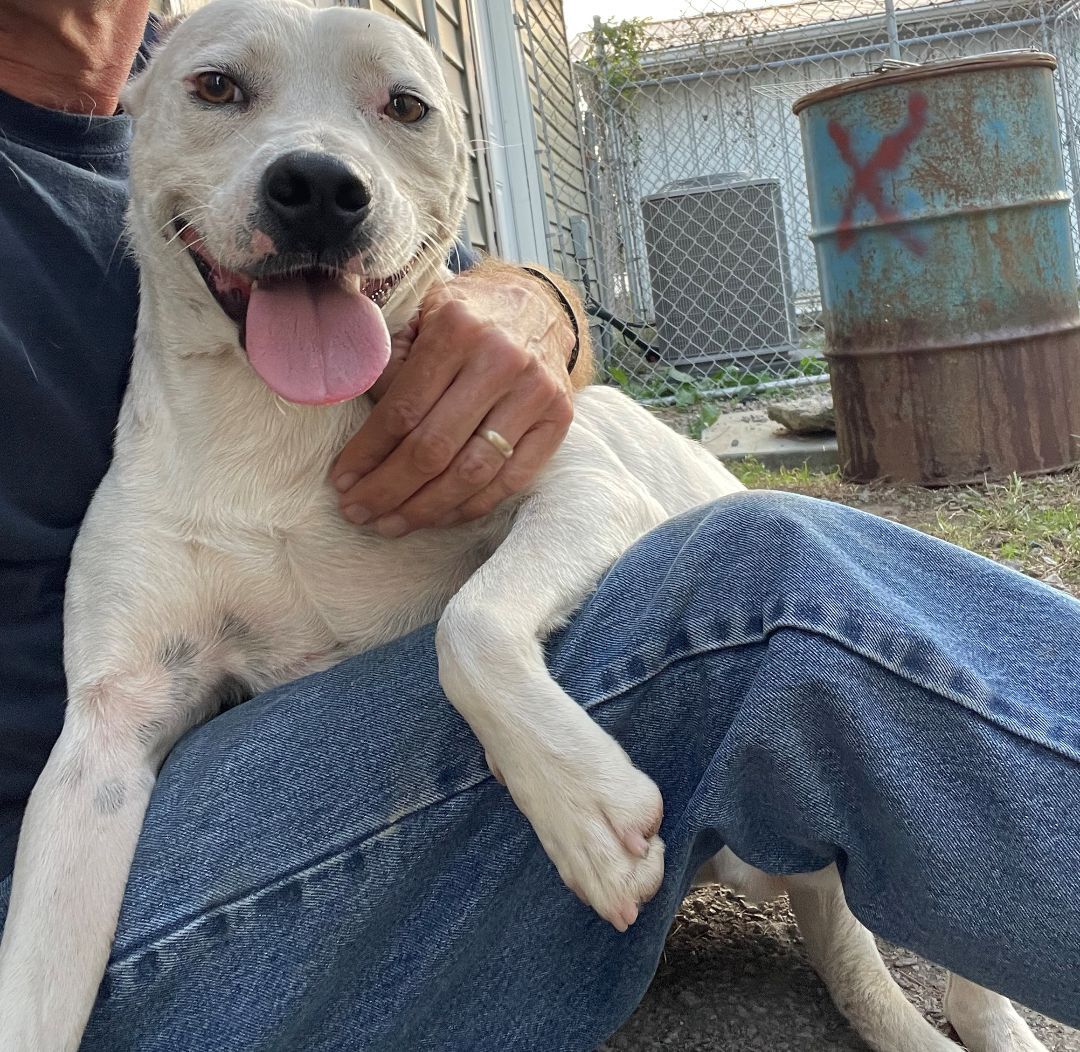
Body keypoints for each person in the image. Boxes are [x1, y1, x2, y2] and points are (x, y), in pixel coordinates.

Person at [0, 2, 1076, 1050]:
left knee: (734, 546)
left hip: (467, 734)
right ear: (152, 123)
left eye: (405, 111)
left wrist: (540, 306)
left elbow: (510, 336)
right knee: (773, 587)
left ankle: (952, 986)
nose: (318, 169)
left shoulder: (171, 60)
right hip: (128, 912)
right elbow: (101, 751)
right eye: (223, 93)